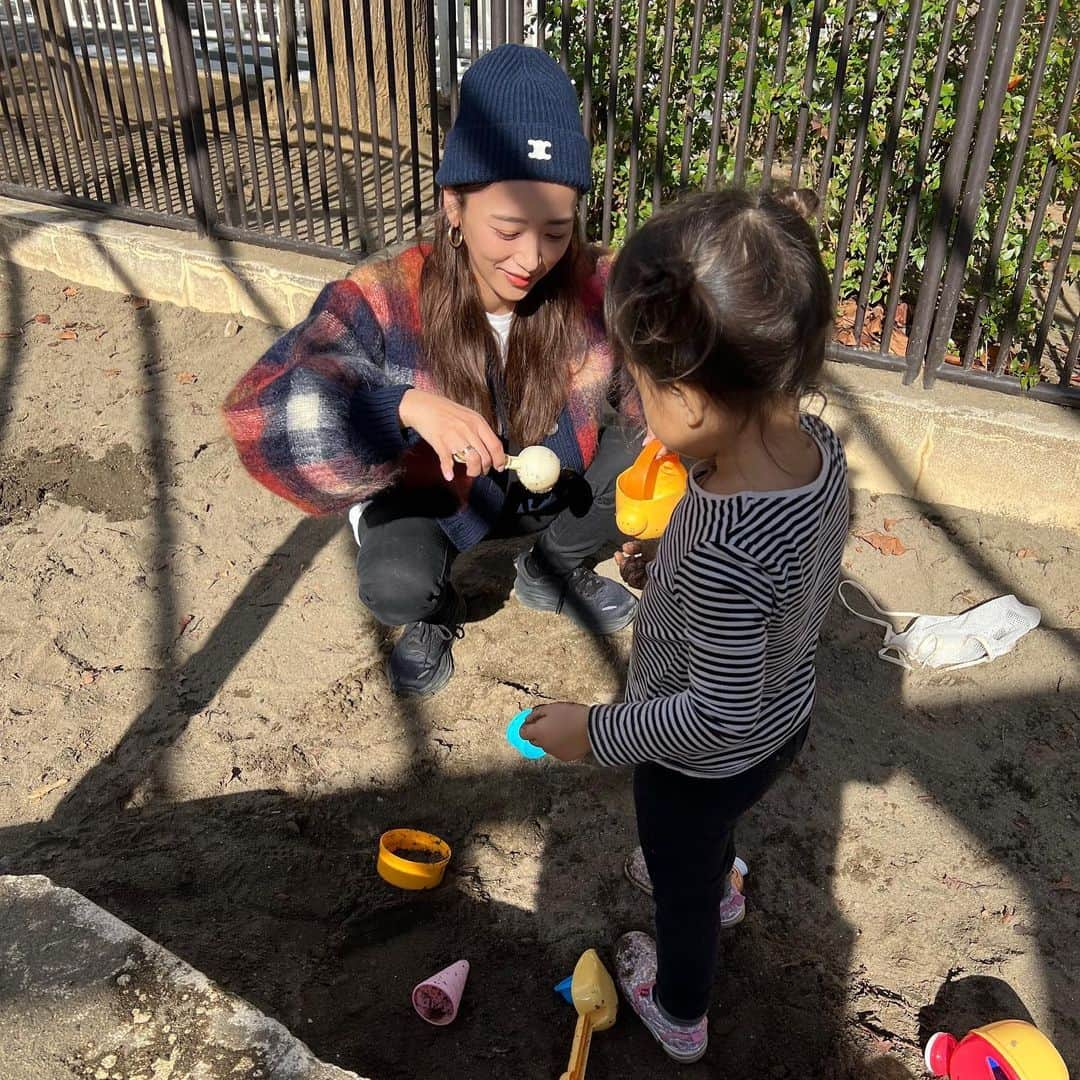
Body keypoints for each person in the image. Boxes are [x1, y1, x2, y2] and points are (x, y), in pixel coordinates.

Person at [520, 187, 849, 1063]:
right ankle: (723, 881)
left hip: (697, 761)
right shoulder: (822, 452)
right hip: (786, 717)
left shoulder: (722, 549)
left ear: (693, 401)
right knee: (711, 841)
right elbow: (780, 587)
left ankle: (679, 1007)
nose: (630, 398)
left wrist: (596, 730)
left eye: (639, 382)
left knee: (679, 881)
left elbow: (716, 714)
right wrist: (670, 564)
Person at [223, 45, 638, 696]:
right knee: (394, 587)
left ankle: (552, 571)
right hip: (435, 499)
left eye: (556, 230)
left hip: (546, 484)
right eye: (508, 226)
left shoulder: (593, 285)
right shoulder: (383, 296)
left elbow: (670, 378)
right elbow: (265, 419)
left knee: (651, 449)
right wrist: (402, 408)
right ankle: (434, 614)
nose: (532, 258)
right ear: (454, 205)